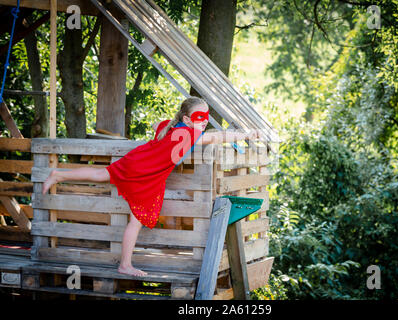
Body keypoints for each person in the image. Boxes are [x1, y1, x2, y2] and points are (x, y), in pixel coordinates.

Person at [41, 97, 260, 277]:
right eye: (199, 117)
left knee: (101, 175)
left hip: (138, 161)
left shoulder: (172, 126)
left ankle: (59, 174)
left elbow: (158, 125)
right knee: (134, 223)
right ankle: (125, 265)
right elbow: (219, 136)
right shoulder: (188, 133)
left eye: (206, 117)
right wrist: (246, 134)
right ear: (186, 118)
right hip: (146, 175)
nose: (204, 121)